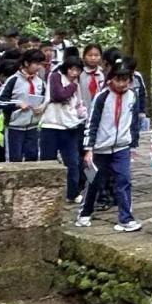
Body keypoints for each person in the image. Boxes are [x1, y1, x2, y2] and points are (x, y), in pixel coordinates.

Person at [79, 62, 146, 232]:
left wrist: (133, 145)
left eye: (126, 80)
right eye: (118, 80)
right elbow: (92, 123)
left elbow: (134, 122)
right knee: (93, 181)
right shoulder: (102, 97)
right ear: (111, 79)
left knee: (124, 181)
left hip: (121, 147)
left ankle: (126, 218)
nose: (122, 84)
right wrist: (89, 148)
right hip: (101, 147)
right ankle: (85, 213)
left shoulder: (132, 96)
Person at [0, 49, 52, 163]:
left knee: (32, 158)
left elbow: (46, 99)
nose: (39, 67)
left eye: (40, 64)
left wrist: (43, 107)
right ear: (26, 63)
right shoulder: (13, 80)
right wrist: (17, 103)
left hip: (33, 127)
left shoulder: (40, 82)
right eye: (36, 63)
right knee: (14, 160)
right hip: (14, 127)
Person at [43, 56, 90, 199]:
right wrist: (72, 86)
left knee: (72, 161)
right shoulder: (56, 77)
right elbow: (58, 95)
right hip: (51, 125)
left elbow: (78, 104)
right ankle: (46, 193)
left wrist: (83, 114)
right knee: (48, 161)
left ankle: (73, 192)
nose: (74, 73)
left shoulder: (77, 84)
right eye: (72, 69)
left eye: (77, 70)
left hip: (70, 126)